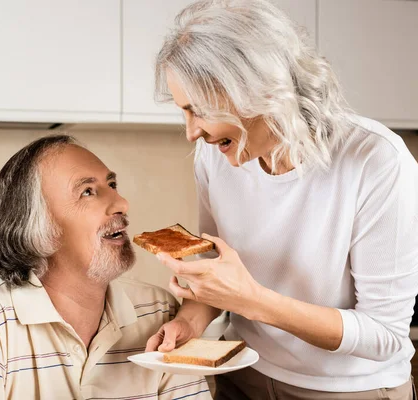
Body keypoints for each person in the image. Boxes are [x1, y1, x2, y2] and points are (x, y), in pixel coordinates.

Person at [146, 0, 418, 399]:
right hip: (243, 374)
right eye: (183, 113)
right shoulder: (215, 155)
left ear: (256, 90)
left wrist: (254, 301)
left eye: (198, 111)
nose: (191, 133)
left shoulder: (375, 160)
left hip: (349, 390)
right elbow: (216, 271)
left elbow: (385, 336)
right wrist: (190, 319)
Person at [0, 135, 211, 399]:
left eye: (111, 185)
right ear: (38, 227)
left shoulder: (159, 312)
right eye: (88, 192)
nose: (121, 203)